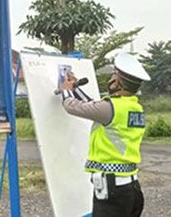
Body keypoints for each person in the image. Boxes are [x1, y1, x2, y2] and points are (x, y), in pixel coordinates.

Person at [59, 53, 149, 217]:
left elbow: (72, 107)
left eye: (112, 76)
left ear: (118, 82)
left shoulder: (111, 108)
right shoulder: (134, 107)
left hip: (112, 191)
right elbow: (93, 105)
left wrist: (65, 91)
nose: (110, 80)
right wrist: (76, 89)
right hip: (131, 187)